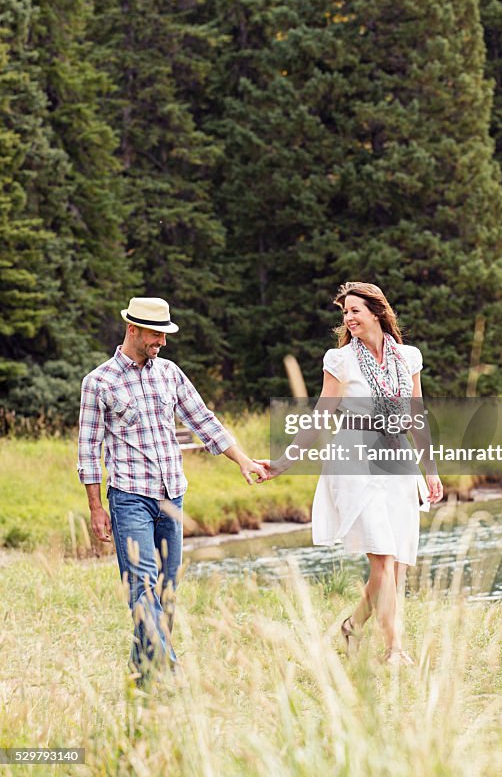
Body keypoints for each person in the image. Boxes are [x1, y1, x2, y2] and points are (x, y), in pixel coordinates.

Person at [78, 296, 267, 682]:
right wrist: (97, 509)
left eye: (164, 335)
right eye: (155, 334)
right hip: (129, 497)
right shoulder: (98, 383)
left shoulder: (169, 373)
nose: (162, 342)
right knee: (142, 584)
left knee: (166, 590)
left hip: (171, 496)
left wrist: (244, 460)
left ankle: (143, 675)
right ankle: (171, 673)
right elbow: (87, 450)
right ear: (133, 329)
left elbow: (204, 420)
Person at [262, 282, 443, 664]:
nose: (348, 318)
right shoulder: (340, 360)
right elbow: (322, 415)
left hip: (397, 460)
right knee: (382, 556)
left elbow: (416, 416)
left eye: (355, 311)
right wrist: (285, 461)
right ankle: (394, 650)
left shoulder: (408, 357)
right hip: (354, 460)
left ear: (377, 312)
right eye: (345, 313)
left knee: (395, 563)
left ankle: (352, 626)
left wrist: (431, 470)